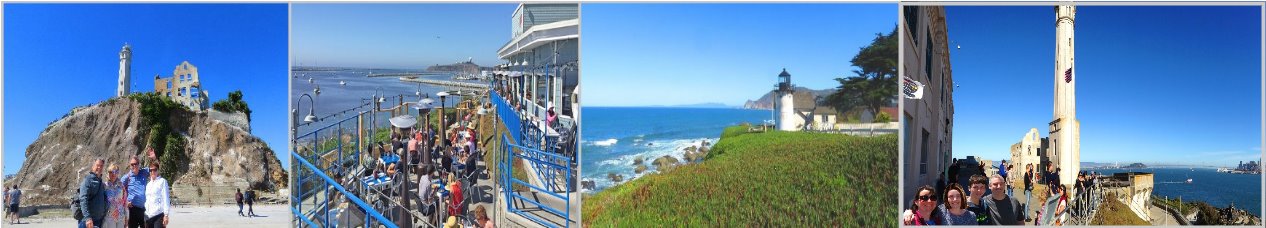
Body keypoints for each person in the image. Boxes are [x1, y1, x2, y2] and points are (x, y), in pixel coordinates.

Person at [122, 155, 150, 228]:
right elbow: (118, 190)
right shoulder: (126, 177)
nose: (134, 166)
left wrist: (153, 158)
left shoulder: (143, 172)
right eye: (132, 164)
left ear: (139, 164)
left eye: (135, 164)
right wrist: (125, 202)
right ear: (130, 166)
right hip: (132, 209)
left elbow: (155, 168)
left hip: (143, 209)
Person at [80, 159, 108, 228]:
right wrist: (87, 217)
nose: (99, 168)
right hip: (88, 221)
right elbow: (83, 199)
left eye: (101, 166)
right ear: (93, 166)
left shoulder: (100, 181)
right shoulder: (88, 180)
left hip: (98, 220)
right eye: (97, 165)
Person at [144, 161, 170, 228]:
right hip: (147, 216)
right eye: (151, 170)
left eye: (155, 170)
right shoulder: (148, 184)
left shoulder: (162, 181)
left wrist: (166, 215)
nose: (153, 172)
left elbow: (166, 198)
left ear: (158, 170)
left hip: (158, 215)